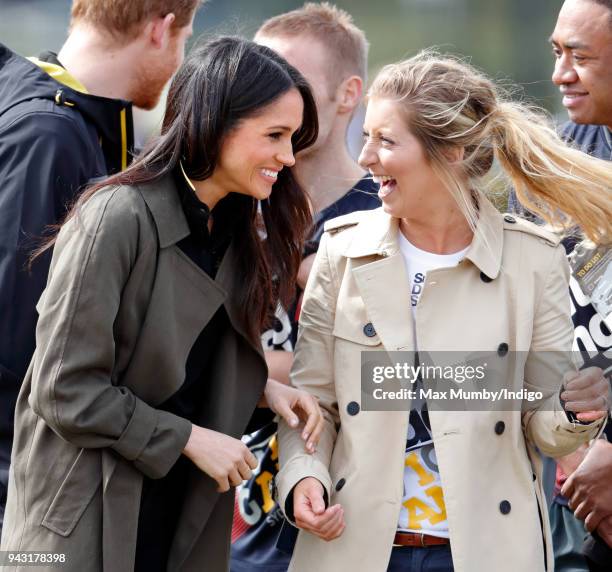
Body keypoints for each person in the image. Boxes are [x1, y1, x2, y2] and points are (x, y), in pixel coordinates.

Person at [276, 50, 612, 572]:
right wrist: (302, 476)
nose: (365, 157)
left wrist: (576, 412)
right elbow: (312, 403)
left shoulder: (532, 260)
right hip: (354, 545)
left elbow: (543, 426)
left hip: (486, 553)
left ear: (451, 151)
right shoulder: (342, 252)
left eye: (385, 141)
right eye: (366, 137)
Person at [0, 36, 325, 572]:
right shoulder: (115, 216)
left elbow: (178, 364)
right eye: (275, 136)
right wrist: (189, 440)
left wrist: (262, 389)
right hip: (81, 528)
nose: (287, 158)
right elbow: (63, 387)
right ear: (217, 122)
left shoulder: (237, 230)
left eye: (293, 139)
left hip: (180, 521)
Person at [0, 0, 200, 529]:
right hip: (20, 487)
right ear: (161, 30)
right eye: (185, 40)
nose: (181, 61)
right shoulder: (51, 134)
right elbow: (25, 346)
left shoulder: (70, 123)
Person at [230, 5, 379, 571]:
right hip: (233, 506)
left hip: (340, 506)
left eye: (294, 82)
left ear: (349, 95)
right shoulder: (235, 204)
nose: (276, 98)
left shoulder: (389, 212)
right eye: (259, 80)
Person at [547, 1, 612, 570]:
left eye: (580, 56)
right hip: (578, 492)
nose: (560, 74)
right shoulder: (554, 161)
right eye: (556, 52)